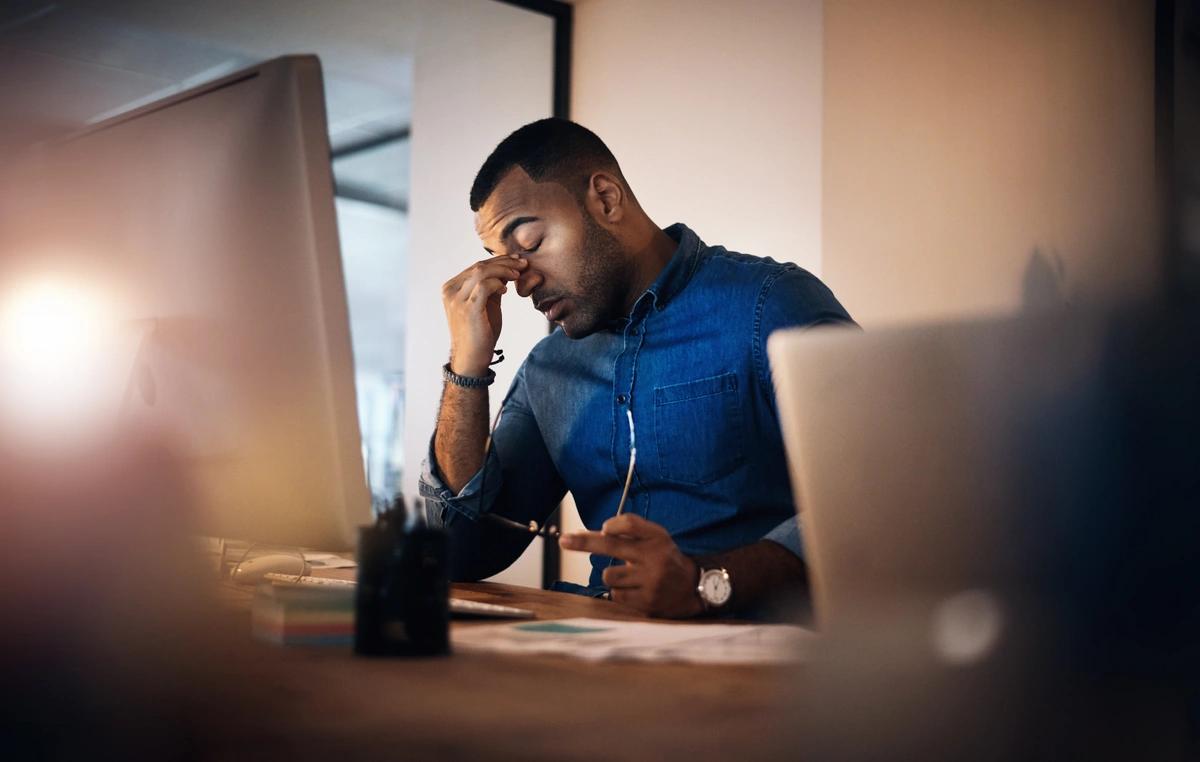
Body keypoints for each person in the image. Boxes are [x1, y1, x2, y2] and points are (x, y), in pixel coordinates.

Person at [419, 118, 855, 618]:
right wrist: (466, 367)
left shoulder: (770, 305)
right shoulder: (549, 369)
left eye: (531, 243)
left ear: (605, 199)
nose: (521, 283)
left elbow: (876, 497)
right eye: (503, 261)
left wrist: (704, 583)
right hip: (601, 654)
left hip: (751, 662)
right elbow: (461, 552)